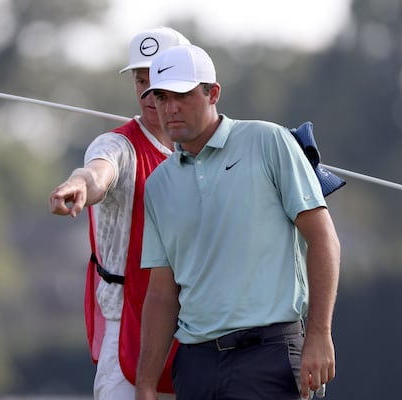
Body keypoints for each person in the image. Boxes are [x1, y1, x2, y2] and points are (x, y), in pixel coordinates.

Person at [135, 44, 341, 400]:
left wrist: (319, 334)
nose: (170, 108)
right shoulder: (158, 185)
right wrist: (146, 382)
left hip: (269, 356)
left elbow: (323, 238)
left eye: (182, 95)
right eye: (162, 97)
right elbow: (161, 292)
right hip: (196, 365)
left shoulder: (268, 141)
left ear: (213, 92)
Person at [48, 27, 191, 400]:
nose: (148, 92)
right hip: (126, 317)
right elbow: (98, 172)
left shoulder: (205, 150)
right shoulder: (117, 145)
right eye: (140, 80)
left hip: (195, 318)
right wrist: (80, 184)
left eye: (158, 79)